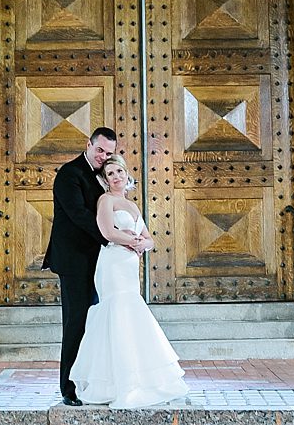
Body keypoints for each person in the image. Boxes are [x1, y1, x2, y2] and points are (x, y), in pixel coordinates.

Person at [70, 153, 188, 408]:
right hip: (112, 263)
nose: (116, 177)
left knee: (131, 313)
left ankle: (140, 379)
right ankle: (112, 382)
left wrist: (142, 243)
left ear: (126, 175)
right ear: (105, 179)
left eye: (119, 172)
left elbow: (149, 238)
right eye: (110, 173)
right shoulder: (105, 200)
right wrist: (132, 241)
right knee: (117, 312)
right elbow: (106, 231)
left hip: (129, 265)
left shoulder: (132, 206)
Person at [43, 128, 144, 405]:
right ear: (88, 144)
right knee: (76, 322)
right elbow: (79, 215)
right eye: (99, 150)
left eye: (109, 153)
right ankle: (69, 387)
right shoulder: (69, 174)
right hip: (74, 259)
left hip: (101, 262)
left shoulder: (104, 176)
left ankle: (94, 381)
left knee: (97, 323)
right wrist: (115, 238)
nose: (103, 156)